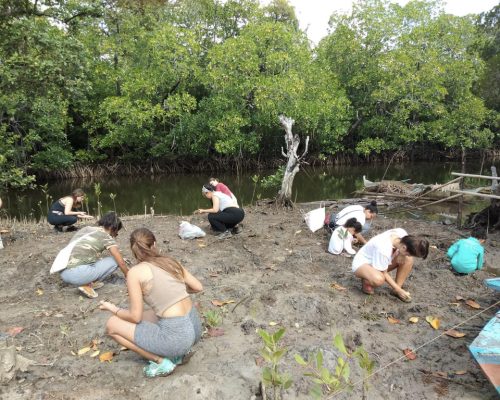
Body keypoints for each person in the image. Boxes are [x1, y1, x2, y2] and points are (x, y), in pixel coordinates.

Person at [99, 228, 203, 378]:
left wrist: (113, 309)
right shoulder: (170, 261)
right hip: (194, 329)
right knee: (152, 314)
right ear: (154, 244)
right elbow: (198, 287)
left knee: (112, 325)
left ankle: (161, 361)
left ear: (133, 251)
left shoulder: (135, 273)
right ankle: (178, 354)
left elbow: (135, 317)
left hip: (177, 339)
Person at [59, 211, 128, 298]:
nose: (114, 236)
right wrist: (128, 275)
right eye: (116, 233)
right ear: (112, 228)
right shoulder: (106, 237)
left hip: (63, 273)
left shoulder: (86, 229)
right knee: (115, 260)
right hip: (78, 274)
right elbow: (120, 261)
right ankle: (86, 285)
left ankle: (87, 281)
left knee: (94, 261)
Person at [352, 228, 429, 302]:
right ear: (404, 247)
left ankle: (396, 289)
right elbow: (384, 273)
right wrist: (399, 290)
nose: (408, 255)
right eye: (408, 254)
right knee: (379, 279)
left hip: (378, 261)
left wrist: (402, 254)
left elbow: (403, 246)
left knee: (408, 260)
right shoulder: (383, 249)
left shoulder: (402, 234)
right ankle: (367, 280)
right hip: (362, 264)